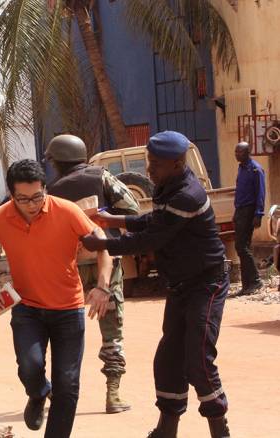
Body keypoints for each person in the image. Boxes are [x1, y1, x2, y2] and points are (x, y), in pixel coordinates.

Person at [81, 131, 230, 438]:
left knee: (198, 358)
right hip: (181, 285)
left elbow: (152, 238)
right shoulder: (168, 186)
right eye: (149, 162)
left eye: (156, 164)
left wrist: (104, 244)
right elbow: (153, 220)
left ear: (177, 164)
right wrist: (115, 221)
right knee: (168, 359)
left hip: (206, 284)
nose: (149, 170)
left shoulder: (188, 193)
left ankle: (220, 429)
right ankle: (167, 428)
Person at [0, 159, 113, 438]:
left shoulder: (67, 211)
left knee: (68, 384)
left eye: (37, 196)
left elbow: (102, 245)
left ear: (45, 189)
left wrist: (103, 287)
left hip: (68, 310)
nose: (32, 204)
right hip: (27, 309)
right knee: (29, 367)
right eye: (23, 199)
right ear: (12, 195)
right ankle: (38, 393)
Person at [45, 134, 139, 414]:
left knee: (66, 332)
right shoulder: (102, 177)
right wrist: (102, 216)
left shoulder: (51, 190)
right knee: (112, 329)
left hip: (68, 268)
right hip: (105, 263)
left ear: (58, 161)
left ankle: (61, 394)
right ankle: (113, 394)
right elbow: (132, 209)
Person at [234, 141, 265, 295]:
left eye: (239, 152)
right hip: (239, 211)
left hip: (249, 211)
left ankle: (256, 281)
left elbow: (260, 193)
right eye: (236, 152)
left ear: (247, 153)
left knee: (242, 247)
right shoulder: (241, 168)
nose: (236, 155)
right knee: (240, 247)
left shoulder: (255, 169)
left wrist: (258, 214)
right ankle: (246, 286)